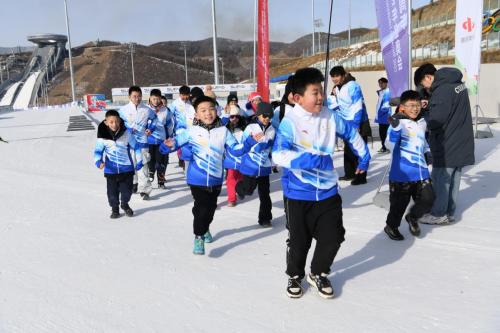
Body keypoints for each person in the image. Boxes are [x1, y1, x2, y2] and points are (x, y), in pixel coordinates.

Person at [273, 67, 370, 299]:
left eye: (321, 92)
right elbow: (277, 155)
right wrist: (303, 159)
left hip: (327, 191)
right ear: (298, 98)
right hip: (298, 193)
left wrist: (364, 156)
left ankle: (317, 272)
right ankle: (294, 275)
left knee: (333, 236)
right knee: (299, 241)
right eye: (314, 92)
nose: (320, 97)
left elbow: (351, 133)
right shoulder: (290, 122)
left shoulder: (331, 116)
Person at [160, 96, 262, 255]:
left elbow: (235, 150)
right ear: (197, 114)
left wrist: (249, 142)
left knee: (210, 208)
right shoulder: (191, 131)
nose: (208, 113)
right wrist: (165, 147)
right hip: (196, 178)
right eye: (203, 110)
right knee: (202, 207)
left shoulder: (223, 131)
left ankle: (204, 227)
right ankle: (199, 236)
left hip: (215, 179)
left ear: (217, 110)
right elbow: (174, 144)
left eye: (211, 109)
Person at [414, 63, 475, 224]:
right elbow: (449, 110)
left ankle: (438, 213)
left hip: (447, 143)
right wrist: (431, 105)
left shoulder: (441, 90)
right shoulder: (456, 84)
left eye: (423, 84)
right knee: (454, 179)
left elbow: (436, 121)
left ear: (428, 77)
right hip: (461, 140)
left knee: (441, 179)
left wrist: (423, 114)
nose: (425, 88)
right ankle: (449, 212)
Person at [383, 90, 435, 241]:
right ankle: (391, 226)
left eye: (417, 105)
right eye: (411, 105)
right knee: (398, 206)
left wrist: (428, 152)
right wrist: (395, 129)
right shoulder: (398, 123)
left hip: (421, 172)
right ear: (402, 107)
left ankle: (412, 216)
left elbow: (422, 141)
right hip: (401, 174)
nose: (415, 108)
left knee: (429, 200)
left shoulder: (422, 122)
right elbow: (389, 144)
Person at [94, 110, 143, 218]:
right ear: (106, 122)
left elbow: (137, 147)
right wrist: (98, 161)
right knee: (112, 193)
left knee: (127, 192)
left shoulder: (127, 133)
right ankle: (114, 208)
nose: (114, 124)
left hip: (126, 169)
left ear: (120, 121)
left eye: (116, 121)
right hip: (110, 170)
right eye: (111, 122)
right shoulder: (102, 137)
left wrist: (139, 161)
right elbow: (98, 151)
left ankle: (125, 204)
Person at [236, 102, 276, 227]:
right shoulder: (251, 128)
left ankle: (265, 218)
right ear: (258, 115)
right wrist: (253, 143)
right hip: (250, 166)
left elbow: (271, 147)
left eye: (269, 116)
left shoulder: (272, 129)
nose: (267, 119)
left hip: (264, 167)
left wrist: (273, 162)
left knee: (265, 194)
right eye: (264, 116)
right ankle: (239, 188)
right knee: (248, 190)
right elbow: (243, 144)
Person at [329, 66, 370, 185]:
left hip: (358, 122)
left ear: (343, 75)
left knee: (359, 148)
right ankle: (350, 173)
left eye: (337, 76)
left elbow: (358, 105)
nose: (334, 79)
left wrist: (356, 124)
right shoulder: (336, 88)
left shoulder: (353, 85)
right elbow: (333, 102)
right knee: (348, 150)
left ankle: (361, 177)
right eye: (332, 77)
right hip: (345, 122)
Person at [118, 86, 156, 199]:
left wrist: (150, 128)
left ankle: (145, 190)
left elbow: (154, 120)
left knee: (143, 166)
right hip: (128, 143)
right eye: (134, 96)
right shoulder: (123, 110)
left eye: (139, 96)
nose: (137, 98)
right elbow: (118, 124)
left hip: (142, 142)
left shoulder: (147, 109)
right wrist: (128, 129)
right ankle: (134, 183)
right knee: (131, 165)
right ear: (129, 96)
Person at [147, 89, 174, 189]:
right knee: (150, 159)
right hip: (149, 139)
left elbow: (169, 125)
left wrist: (169, 136)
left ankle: (161, 181)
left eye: (158, 99)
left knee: (161, 161)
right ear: (150, 98)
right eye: (154, 99)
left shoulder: (165, 110)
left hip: (161, 140)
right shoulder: (146, 109)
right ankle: (150, 174)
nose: (156, 101)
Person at [223, 105, 247, 207]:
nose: (235, 119)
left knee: (241, 177)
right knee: (231, 178)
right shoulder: (225, 129)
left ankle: (240, 190)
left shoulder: (244, 128)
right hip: (230, 158)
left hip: (242, 158)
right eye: (232, 116)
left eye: (237, 116)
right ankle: (232, 199)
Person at [375, 77, 391, 153]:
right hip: (381, 116)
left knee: (386, 132)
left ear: (386, 83)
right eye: (379, 83)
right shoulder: (381, 92)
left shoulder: (388, 92)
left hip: (386, 115)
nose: (380, 84)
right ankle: (384, 146)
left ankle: (387, 147)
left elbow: (386, 104)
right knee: (381, 132)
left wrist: (381, 111)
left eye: (382, 83)